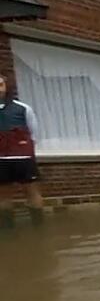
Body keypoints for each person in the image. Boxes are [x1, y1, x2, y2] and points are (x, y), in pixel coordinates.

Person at [0, 74, 44, 228]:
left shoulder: (23, 109)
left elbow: (34, 133)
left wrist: (28, 153)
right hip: (1, 161)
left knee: (32, 192)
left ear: (6, 87)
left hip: (24, 159)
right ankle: (8, 230)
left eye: (0, 85)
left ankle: (39, 229)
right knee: (4, 197)